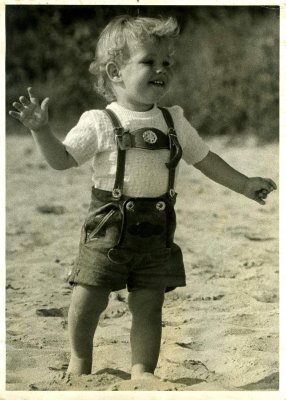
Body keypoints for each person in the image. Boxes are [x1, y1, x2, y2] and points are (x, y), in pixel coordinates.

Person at [9, 15, 277, 381]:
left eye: (167, 62)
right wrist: (42, 132)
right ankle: (78, 361)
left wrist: (244, 184)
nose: (161, 70)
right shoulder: (99, 122)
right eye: (149, 61)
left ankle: (142, 371)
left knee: (149, 304)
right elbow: (62, 160)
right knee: (88, 300)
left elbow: (206, 159)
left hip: (156, 232)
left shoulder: (174, 120)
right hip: (107, 229)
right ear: (115, 72)